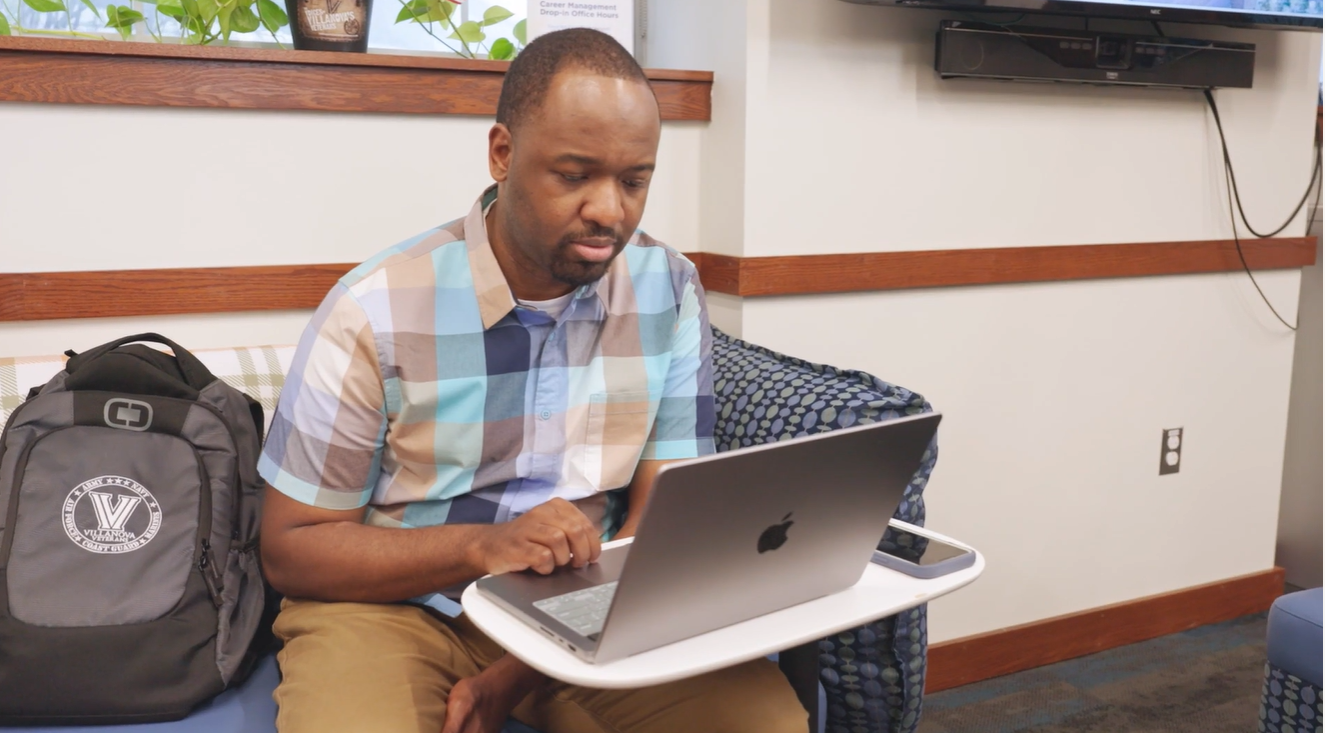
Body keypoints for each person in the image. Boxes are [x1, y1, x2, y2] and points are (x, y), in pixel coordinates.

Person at [256, 27, 809, 733]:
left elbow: (660, 515)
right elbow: (292, 546)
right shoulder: (376, 308)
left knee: (762, 722)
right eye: (574, 175)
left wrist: (522, 669)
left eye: (634, 180)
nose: (610, 210)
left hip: (582, 606)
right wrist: (479, 546)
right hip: (393, 607)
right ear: (502, 155)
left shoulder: (667, 288)